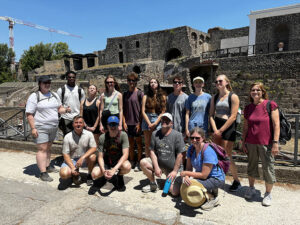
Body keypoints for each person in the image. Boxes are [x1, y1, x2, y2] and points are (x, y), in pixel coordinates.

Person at [26, 75, 71, 182]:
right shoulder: (34, 96)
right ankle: (43, 173)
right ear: (40, 84)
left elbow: (59, 109)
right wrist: (33, 128)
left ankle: (47, 166)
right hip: (41, 127)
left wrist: (66, 110)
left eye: (49, 82)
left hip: (53, 126)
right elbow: (29, 114)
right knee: (42, 149)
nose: (47, 84)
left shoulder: (54, 95)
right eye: (45, 83)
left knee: (48, 147)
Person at [242, 82, 280, 206]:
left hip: (266, 143)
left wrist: (275, 143)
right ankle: (251, 188)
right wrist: (243, 142)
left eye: (258, 90)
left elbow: (276, 125)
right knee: (251, 166)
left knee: (268, 168)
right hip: (251, 143)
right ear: (250, 92)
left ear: (263, 91)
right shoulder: (248, 108)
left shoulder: (270, 105)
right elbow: (245, 127)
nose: (255, 92)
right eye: (253, 90)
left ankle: (268, 194)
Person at [140, 113, 186, 195]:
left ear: (171, 123)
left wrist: (175, 171)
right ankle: (153, 183)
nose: (164, 121)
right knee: (143, 162)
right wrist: (156, 167)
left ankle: (164, 183)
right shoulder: (155, 133)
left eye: (167, 120)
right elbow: (152, 151)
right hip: (160, 166)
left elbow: (180, 155)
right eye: (163, 120)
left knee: (174, 192)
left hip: (173, 169)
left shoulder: (178, 135)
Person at [209, 74, 241, 192]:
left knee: (227, 155)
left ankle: (236, 180)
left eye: (220, 81)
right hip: (216, 125)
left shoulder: (233, 96)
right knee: (216, 154)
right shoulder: (214, 97)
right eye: (216, 81)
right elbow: (211, 115)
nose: (218, 83)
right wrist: (215, 130)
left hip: (227, 127)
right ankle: (217, 177)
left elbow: (233, 116)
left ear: (227, 82)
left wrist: (220, 130)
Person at [180, 127, 225, 211]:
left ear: (203, 138)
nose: (194, 140)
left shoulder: (208, 151)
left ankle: (213, 198)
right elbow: (189, 168)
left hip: (216, 178)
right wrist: (186, 176)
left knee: (192, 185)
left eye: (197, 138)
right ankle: (209, 191)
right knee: (187, 182)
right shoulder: (191, 149)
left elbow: (204, 175)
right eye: (192, 138)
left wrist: (186, 173)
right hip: (204, 175)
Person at [91, 116, 131, 192]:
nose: (113, 127)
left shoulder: (123, 135)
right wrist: (103, 170)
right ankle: (104, 176)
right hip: (107, 161)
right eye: (111, 125)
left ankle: (119, 176)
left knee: (127, 167)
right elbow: (100, 157)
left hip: (118, 160)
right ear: (107, 126)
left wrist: (114, 169)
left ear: (118, 125)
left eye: (115, 124)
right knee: (94, 174)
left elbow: (125, 154)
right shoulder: (102, 137)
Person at [59, 116, 97, 189]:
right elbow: (65, 154)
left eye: (80, 123)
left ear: (83, 124)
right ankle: (74, 174)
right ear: (73, 124)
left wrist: (82, 158)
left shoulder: (89, 134)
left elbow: (94, 148)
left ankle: (89, 175)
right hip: (72, 160)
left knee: (93, 157)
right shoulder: (67, 136)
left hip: (84, 159)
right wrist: (72, 167)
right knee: (63, 174)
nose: (78, 124)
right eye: (76, 123)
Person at [122, 72, 144, 171]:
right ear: (127, 81)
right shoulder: (125, 94)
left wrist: (139, 123)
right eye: (130, 80)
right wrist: (123, 122)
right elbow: (122, 109)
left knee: (139, 144)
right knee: (130, 144)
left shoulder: (140, 93)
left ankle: (139, 161)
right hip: (128, 123)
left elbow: (142, 110)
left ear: (136, 82)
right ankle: (132, 160)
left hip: (136, 123)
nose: (131, 82)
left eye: (133, 80)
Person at [141, 78, 167, 157]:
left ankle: (158, 161)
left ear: (158, 84)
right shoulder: (145, 96)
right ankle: (147, 160)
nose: (153, 83)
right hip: (147, 118)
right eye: (151, 82)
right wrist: (149, 123)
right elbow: (143, 111)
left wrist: (155, 123)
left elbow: (163, 111)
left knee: (158, 142)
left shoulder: (162, 96)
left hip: (158, 118)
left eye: (155, 82)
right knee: (147, 142)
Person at [57, 71, 85, 136]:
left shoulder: (80, 90)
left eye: (73, 77)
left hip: (77, 117)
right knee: (67, 137)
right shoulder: (61, 90)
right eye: (69, 77)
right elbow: (58, 105)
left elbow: (82, 105)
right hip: (65, 117)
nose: (71, 78)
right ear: (66, 78)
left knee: (78, 136)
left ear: (75, 78)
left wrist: (81, 116)